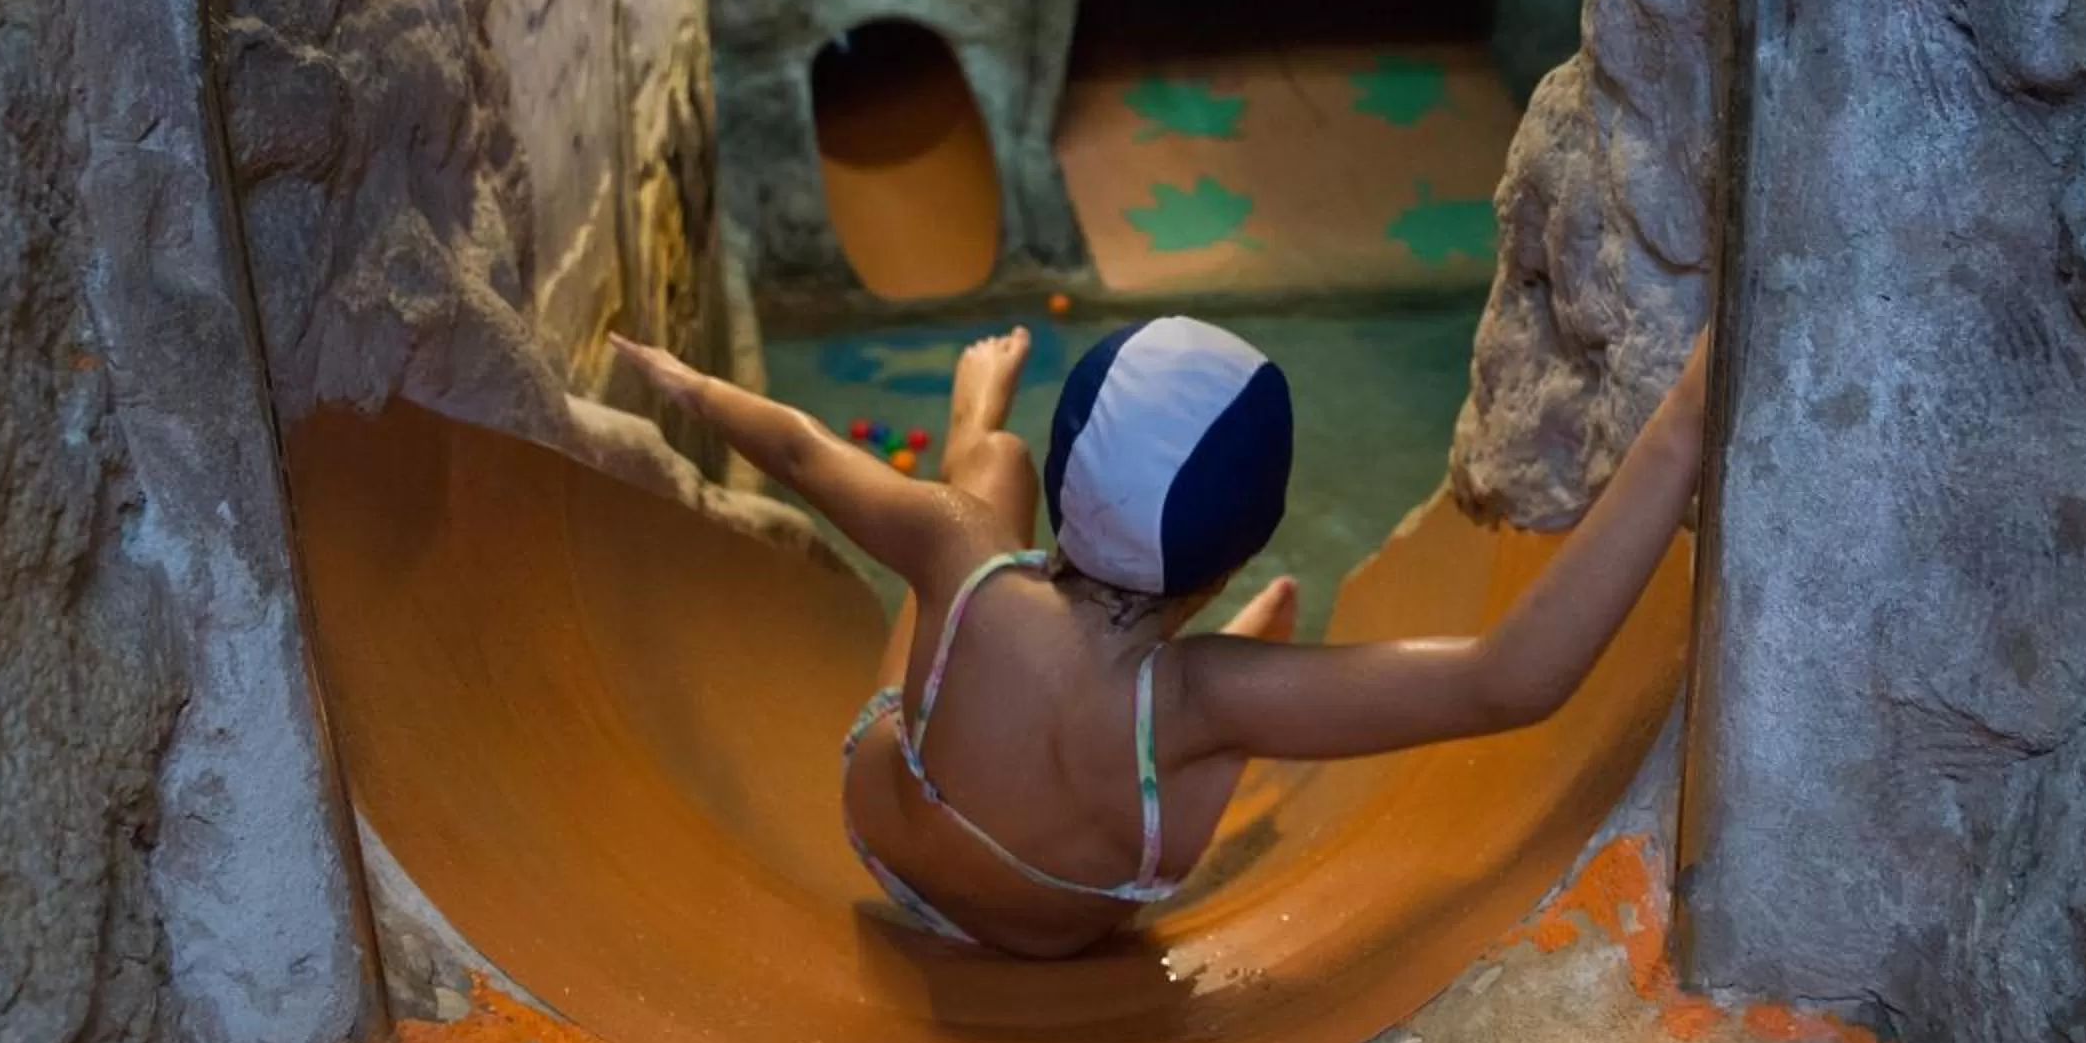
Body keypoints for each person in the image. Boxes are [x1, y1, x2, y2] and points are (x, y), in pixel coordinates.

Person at [608, 315, 1707, 959]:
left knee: (980, 487)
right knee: (1210, 710)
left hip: (889, 828)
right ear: (1230, 553)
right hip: (1056, 926)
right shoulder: (1206, 696)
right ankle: (1250, 640)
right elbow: (1507, 681)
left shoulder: (963, 560)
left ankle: (972, 430)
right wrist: (1682, 426)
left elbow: (800, 455)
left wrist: (682, 379)